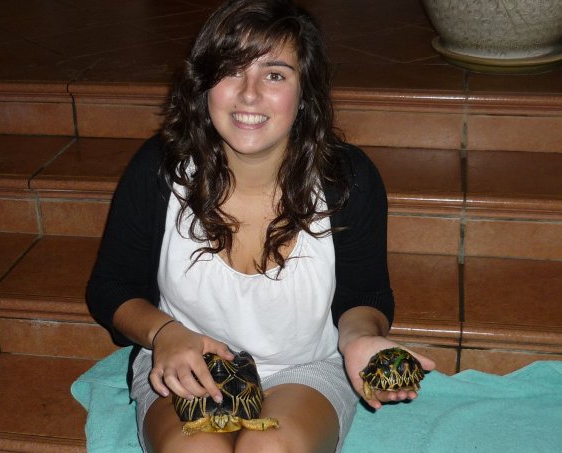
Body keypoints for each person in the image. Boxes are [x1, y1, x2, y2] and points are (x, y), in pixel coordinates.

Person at [86, 0, 436, 452]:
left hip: (304, 368)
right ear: (204, 83)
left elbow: (364, 296)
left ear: (304, 92)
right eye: (232, 71)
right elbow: (112, 287)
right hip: (187, 360)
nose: (249, 94)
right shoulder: (161, 169)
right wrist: (164, 334)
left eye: (274, 75)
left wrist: (362, 339)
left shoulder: (347, 179)